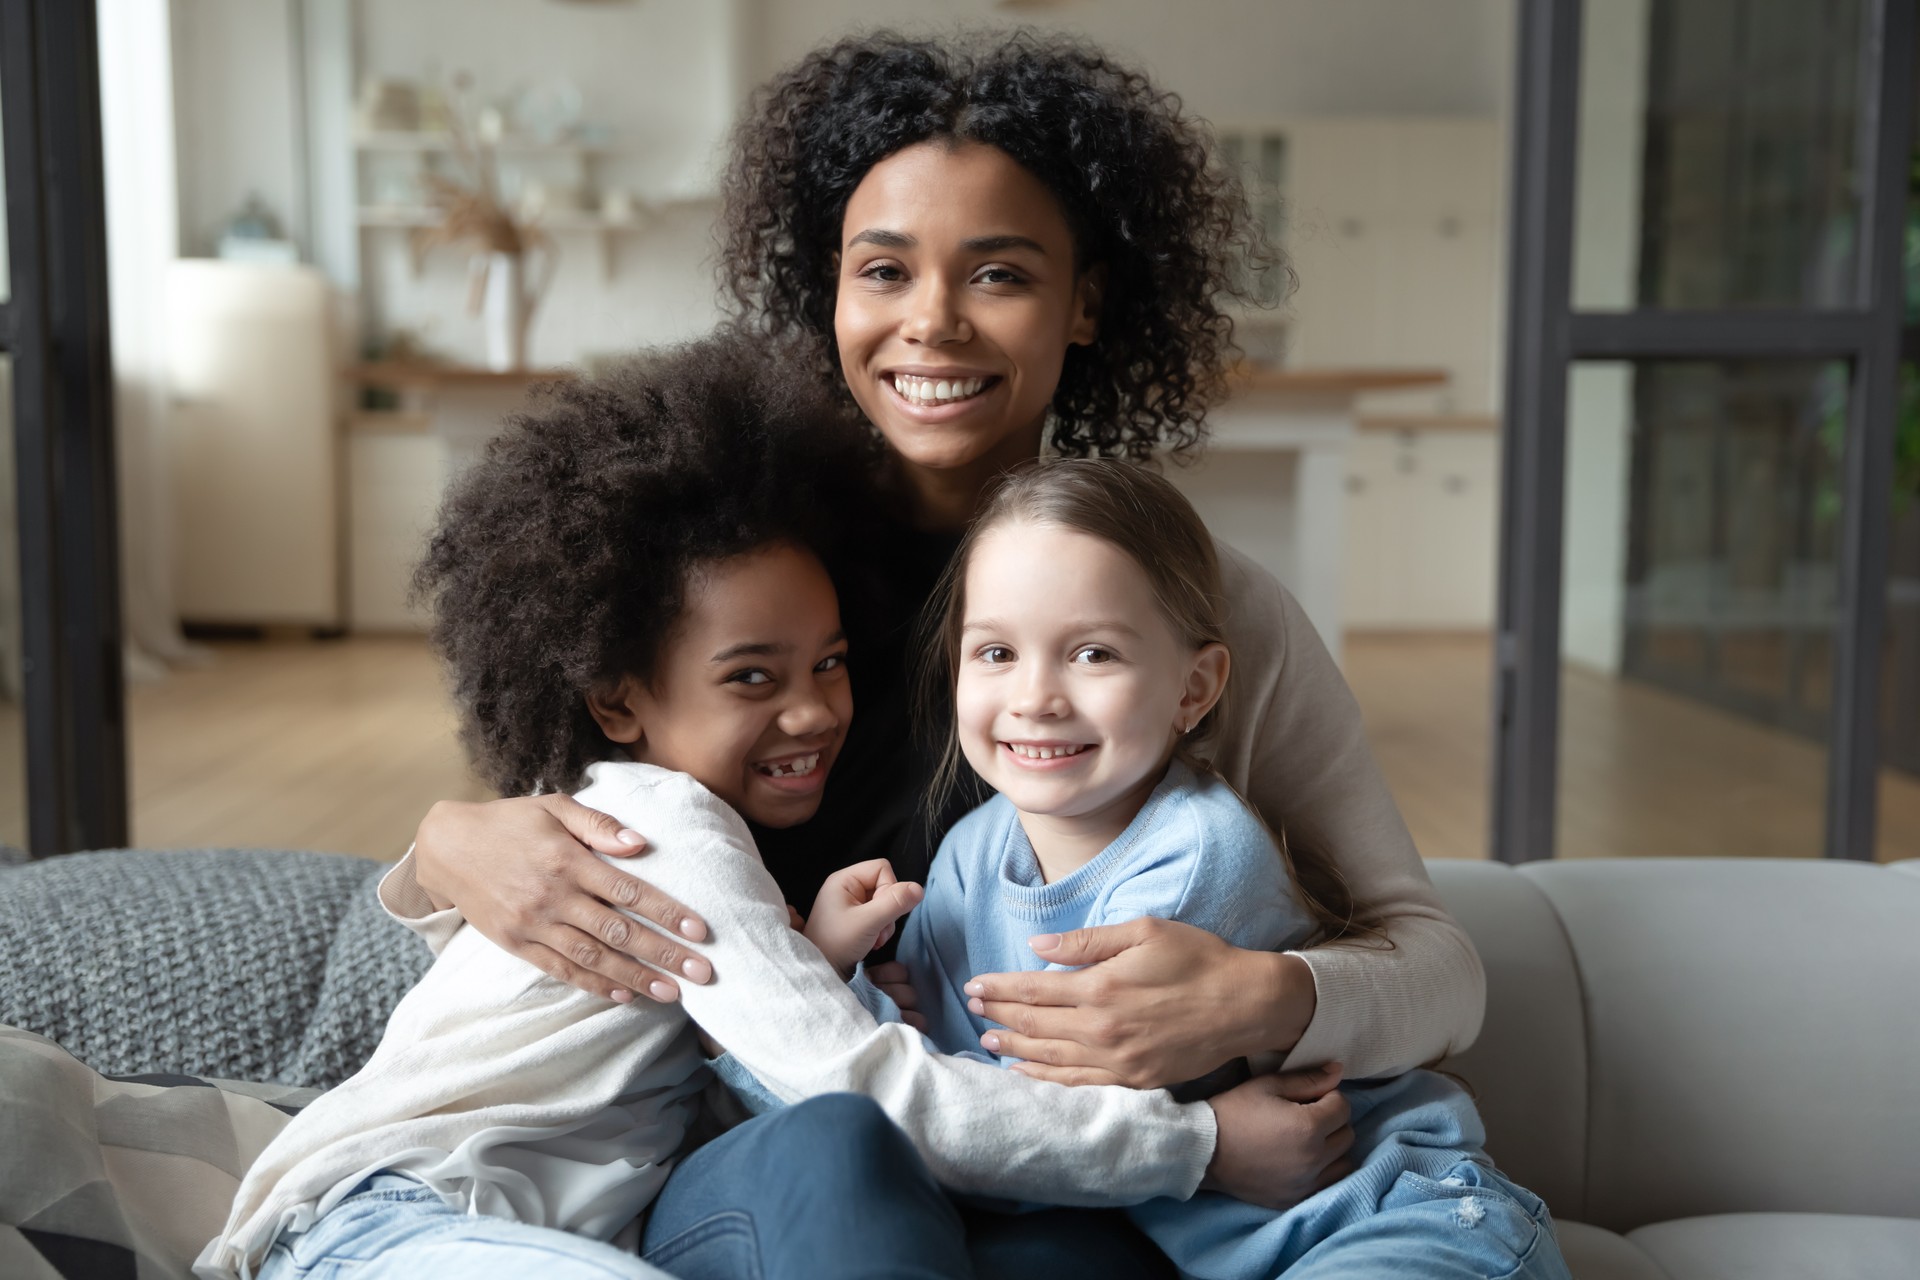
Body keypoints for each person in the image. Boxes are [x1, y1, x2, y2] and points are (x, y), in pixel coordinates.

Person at [386, 30, 1492, 1274]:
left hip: (1088, 1186)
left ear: (1088, 302)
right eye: (884, 270)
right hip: (809, 1170)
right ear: (830, 294)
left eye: (1000, 275)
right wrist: (444, 844)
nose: (933, 323)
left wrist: (1271, 996)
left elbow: (1441, 968)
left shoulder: (1201, 607)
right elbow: (602, 860)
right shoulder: (734, 575)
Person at [197, 336, 1331, 1280]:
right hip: (387, 1222)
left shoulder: (705, 844)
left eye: (829, 662)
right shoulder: (663, 829)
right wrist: (1201, 1141)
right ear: (616, 696)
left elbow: (717, 1062)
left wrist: (812, 958)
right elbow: (862, 1084)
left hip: (547, 1228)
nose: (812, 712)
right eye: (752, 677)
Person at [714, 459, 1570, 1280]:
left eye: (1094, 655)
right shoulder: (974, 853)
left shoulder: (1199, 856)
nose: (1036, 697)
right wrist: (833, 969)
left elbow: (1016, 1135)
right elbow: (927, 1076)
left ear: (1194, 690)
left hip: (1401, 1220)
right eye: (996, 653)